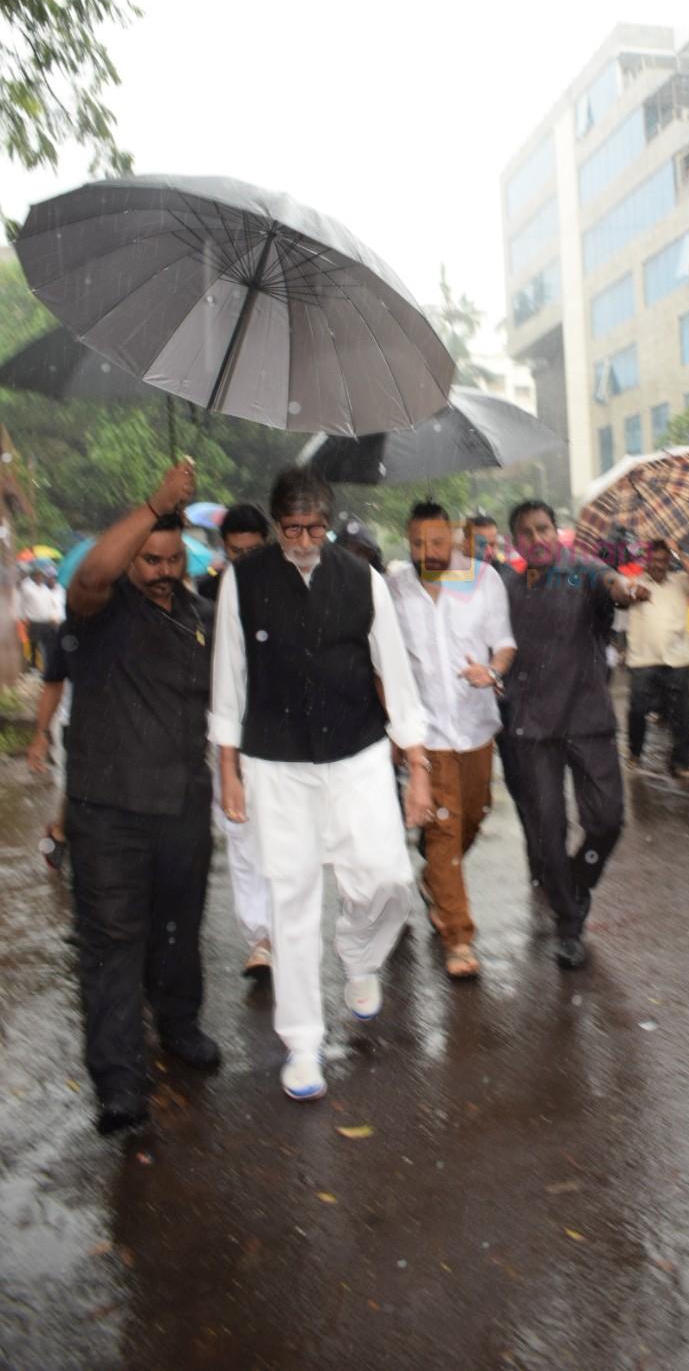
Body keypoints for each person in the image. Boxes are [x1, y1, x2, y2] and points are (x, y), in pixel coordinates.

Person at [211, 466, 431, 1103]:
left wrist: (417, 767)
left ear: (329, 523)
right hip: (276, 764)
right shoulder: (242, 583)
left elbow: (397, 675)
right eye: (290, 528)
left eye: (313, 527)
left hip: (358, 753)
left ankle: (360, 955)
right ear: (276, 523)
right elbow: (229, 680)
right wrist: (228, 771)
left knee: (389, 877)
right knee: (293, 899)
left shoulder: (363, 580)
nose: (302, 538)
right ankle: (302, 1044)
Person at [63, 460, 219, 1135]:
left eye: (170, 558)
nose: (160, 569)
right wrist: (156, 501)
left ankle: (179, 1026)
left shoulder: (200, 615)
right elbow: (92, 575)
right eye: (149, 558)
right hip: (109, 813)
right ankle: (120, 1082)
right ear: (133, 559)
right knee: (112, 945)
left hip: (184, 805)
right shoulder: (102, 610)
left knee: (179, 934)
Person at [502, 500, 649, 969]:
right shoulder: (507, 586)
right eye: (526, 533)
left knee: (607, 821)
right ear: (516, 543)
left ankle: (578, 881)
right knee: (546, 831)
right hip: (531, 726)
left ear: (555, 530)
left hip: (587, 719)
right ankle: (569, 923)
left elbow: (613, 584)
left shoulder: (582, 571)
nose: (537, 538)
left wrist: (627, 588)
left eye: (543, 528)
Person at [389, 501, 515, 979]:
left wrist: (493, 670)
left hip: (478, 726)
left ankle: (433, 878)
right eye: (418, 543)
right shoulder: (395, 589)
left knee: (473, 815)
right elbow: (389, 663)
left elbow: (504, 642)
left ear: (456, 539)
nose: (428, 551)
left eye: (437, 542)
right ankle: (458, 937)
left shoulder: (482, 580)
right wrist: (397, 729)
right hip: (429, 734)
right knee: (444, 829)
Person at [195, 502, 276, 980]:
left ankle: (286, 929)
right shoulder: (206, 596)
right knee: (242, 835)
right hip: (226, 732)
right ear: (223, 550)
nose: (242, 558)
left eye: (251, 550)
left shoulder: (287, 591)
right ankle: (259, 939)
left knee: (282, 837)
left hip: (280, 733)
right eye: (234, 551)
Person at [626, 538, 689, 777]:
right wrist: (632, 592)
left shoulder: (680, 581)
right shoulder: (634, 583)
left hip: (677, 659)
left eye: (663, 560)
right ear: (646, 560)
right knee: (638, 710)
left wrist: (678, 549)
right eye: (653, 560)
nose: (658, 565)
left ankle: (681, 763)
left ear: (669, 560)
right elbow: (621, 595)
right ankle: (634, 753)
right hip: (643, 660)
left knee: (682, 714)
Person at [27, 630, 73, 871]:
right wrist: (41, 734)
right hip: (74, 722)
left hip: (124, 725)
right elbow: (53, 685)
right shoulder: (70, 630)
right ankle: (59, 831)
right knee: (76, 790)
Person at [197, 503, 271, 604]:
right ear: (224, 546)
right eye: (237, 551)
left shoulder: (284, 585)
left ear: (267, 544)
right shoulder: (208, 592)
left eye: (253, 550)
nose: (246, 558)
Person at [18, 563, 65, 671]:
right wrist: (23, 617)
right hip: (34, 622)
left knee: (48, 646)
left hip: (47, 623)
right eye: (37, 576)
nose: (40, 578)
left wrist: (54, 618)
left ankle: (47, 667)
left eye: (41, 576)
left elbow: (51, 606)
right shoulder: (27, 589)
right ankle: (33, 667)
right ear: (34, 577)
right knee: (34, 645)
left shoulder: (47, 590)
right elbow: (22, 602)